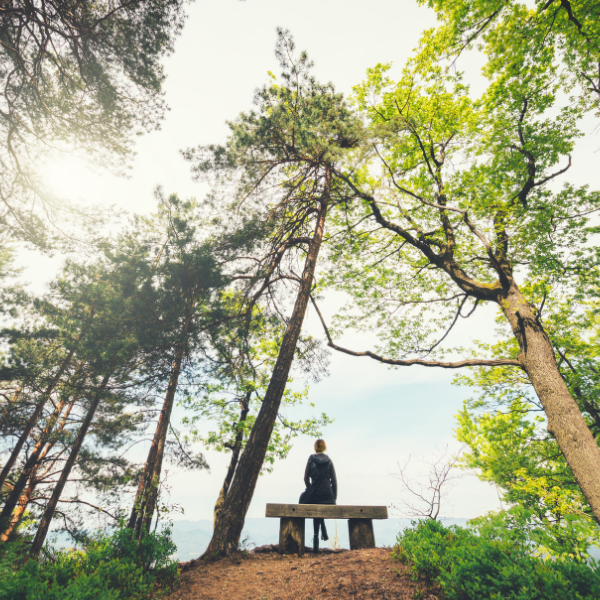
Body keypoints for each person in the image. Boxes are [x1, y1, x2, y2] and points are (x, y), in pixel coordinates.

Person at [302, 439, 337, 553]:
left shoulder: (311, 459)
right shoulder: (329, 461)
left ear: (315, 447)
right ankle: (321, 534)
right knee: (319, 504)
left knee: (314, 503)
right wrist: (334, 498)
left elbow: (306, 478)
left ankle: (316, 538)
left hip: (315, 495)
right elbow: (334, 482)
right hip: (328, 495)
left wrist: (310, 489)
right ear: (324, 447)